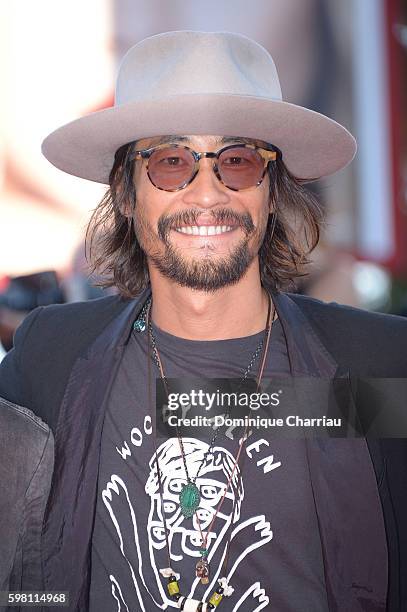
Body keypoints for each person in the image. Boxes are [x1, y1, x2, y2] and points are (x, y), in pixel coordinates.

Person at [0, 30, 406, 612]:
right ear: (126, 191)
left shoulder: (377, 363)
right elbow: (21, 573)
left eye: (237, 162)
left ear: (271, 191)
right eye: (171, 162)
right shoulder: (51, 358)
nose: (208, 192)